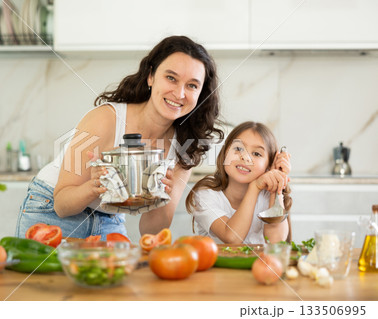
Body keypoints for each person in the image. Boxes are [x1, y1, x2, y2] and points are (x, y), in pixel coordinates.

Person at [15, 35, 224, 240]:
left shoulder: (184, 147)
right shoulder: (105, 119)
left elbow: (151, 232)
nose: (179, 93)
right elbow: (61, 205)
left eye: (192, 85)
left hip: (108, 218)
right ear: (150, 76)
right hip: (50, 208)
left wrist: (162, 197)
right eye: (171, 78)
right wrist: (93, 187)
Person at [185, 121, 292, 245]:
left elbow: (276, 241)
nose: (245, 157)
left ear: (268, 166)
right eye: (238, 148)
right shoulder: (206, 194)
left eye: (256, 153)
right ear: (225, 153)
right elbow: (232, 237)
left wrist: (275, 185)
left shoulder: (268, 197)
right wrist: (254, 188)